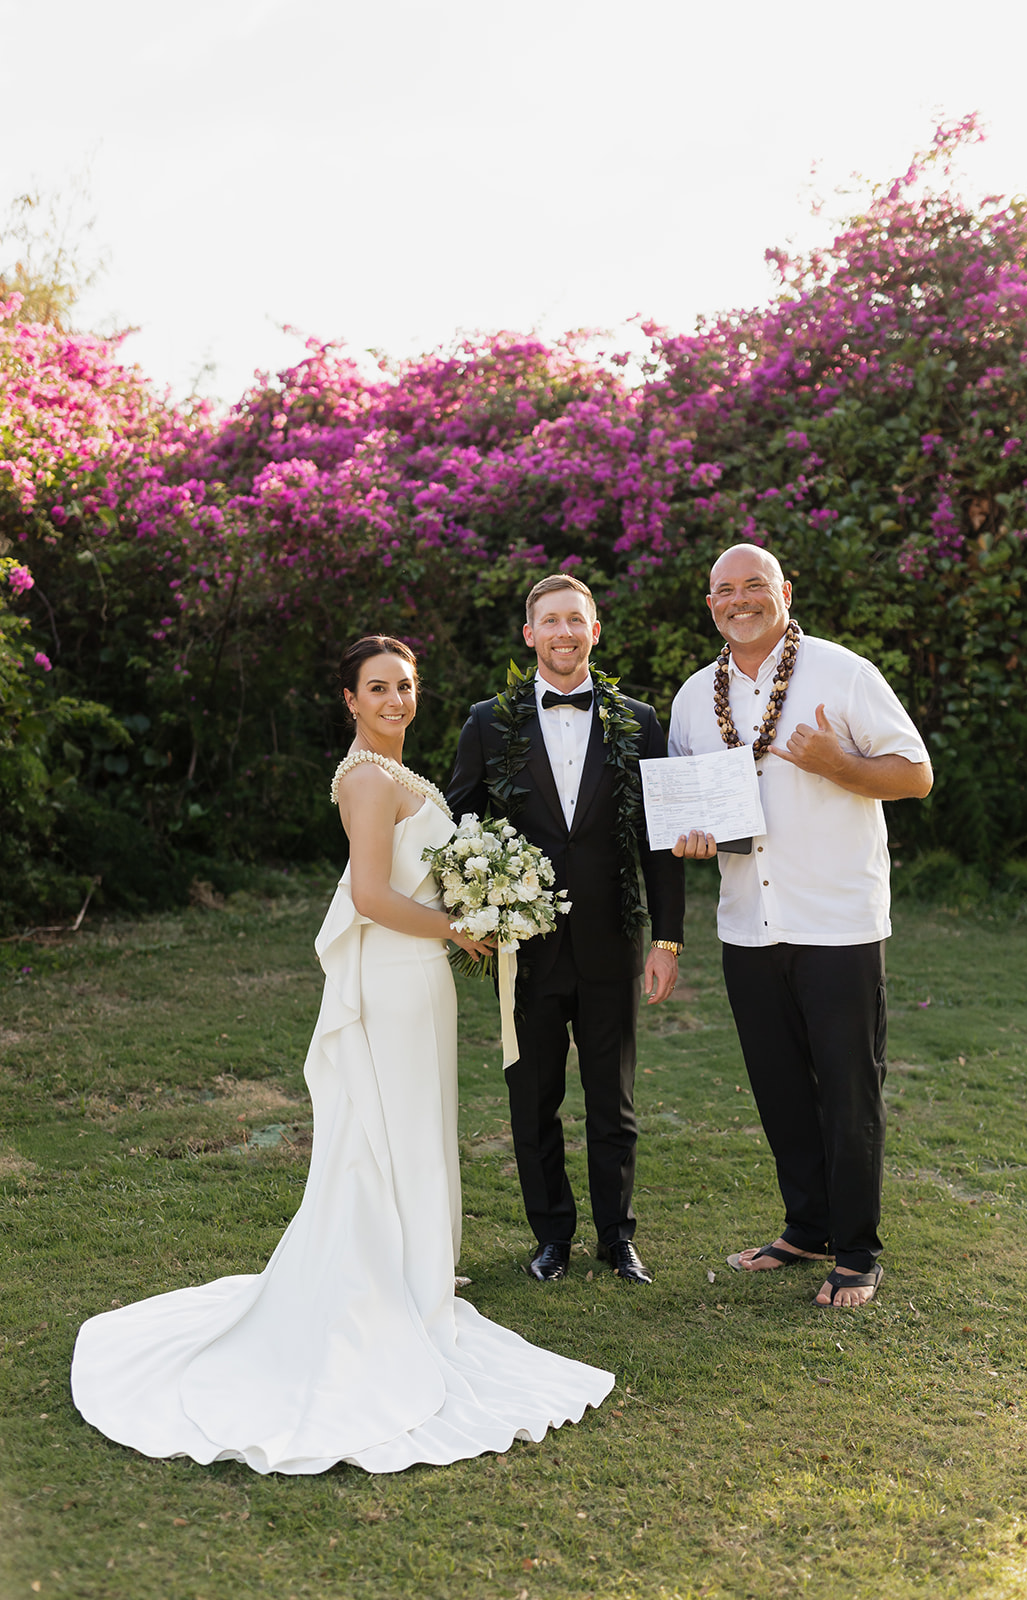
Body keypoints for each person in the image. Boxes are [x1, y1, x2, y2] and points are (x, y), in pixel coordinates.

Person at [70, 635, 614, 1474]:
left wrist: (478, 899)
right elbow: (367, 896)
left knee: (410, 1128)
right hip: (395, 976)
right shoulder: (366, 779)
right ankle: (388, 1284)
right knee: (391, 1130)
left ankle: (410, 1270)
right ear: (350, 700)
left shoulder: (397, 773)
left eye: (406, 685)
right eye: (378, 688)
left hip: (418, 976)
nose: (396, 699)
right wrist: (460, 926)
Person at [669, 545, 932, 1309]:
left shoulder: (842, 673)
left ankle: (856, 1252)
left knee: (848, 1090)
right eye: (725, 589)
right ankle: (806, 1228)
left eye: (755, 585)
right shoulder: (694, 697)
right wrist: (689, 835)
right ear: (710, 604)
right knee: (780, 1088)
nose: (740, 599)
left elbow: (914, 774)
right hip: (747, 923)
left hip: (836, 920)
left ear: (783, 591)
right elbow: (688, 804)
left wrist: (837, 764)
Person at [447, 576, 685, 1286]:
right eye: (549, 621)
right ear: (529, 635)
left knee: (614, 1102)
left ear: (594, 630)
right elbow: (455, 826)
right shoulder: (488, 722)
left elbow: (661, 841)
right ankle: (551, 1236)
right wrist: (470, 910)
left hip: (613, 942)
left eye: (575, 620)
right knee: (533, 1102)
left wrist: (667, 940)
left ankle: (617, 1238)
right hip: (526, 950)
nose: (563, 632)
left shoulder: (638, 720)